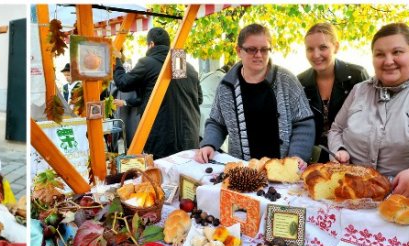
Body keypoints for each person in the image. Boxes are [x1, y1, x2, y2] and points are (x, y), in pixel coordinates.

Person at [330, 23, 409, 197]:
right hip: (351, 194)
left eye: (397, 52)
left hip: (408, 198)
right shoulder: (359, 90)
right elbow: (337, 129)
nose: (388, 61)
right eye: (380, 54)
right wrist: (339, 149)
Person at [195, 24, 315, 167]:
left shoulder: (286, 80)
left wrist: (297, 155)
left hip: (283, 172)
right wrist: (209, 144)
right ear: (239, 51)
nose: (258, 55)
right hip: (244, 172)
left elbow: (304, 122)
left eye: (264, 50)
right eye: (252, 49)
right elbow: (217, 122)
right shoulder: (226, 86)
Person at [113, 27, 202, 160]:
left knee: (160, 178)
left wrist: (117, 60)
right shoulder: (186, 65)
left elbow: (122, 83)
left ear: (151, 44)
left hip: (161, 140)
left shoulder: (147, 63)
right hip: (190, 138)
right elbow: (199, 99)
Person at [298, 23, 369, 163]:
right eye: (310, 49)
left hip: (351, 158)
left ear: (336, 47)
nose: (316, 54)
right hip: (314, 160)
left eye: (323, 47)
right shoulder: (300, 82)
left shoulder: (357, 75)